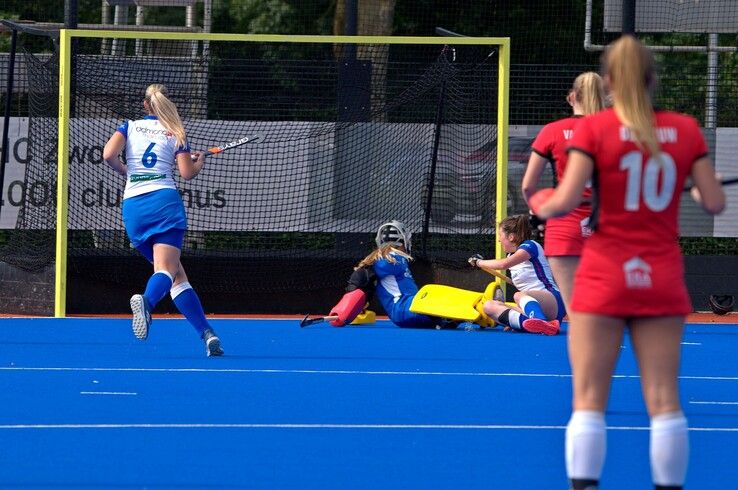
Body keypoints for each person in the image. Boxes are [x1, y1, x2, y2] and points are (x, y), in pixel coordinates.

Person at [530, 35, 725, 490]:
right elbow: (712, 201)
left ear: (611, 81)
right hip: (659, 274)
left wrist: (539, 200)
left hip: (604, 273)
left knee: (589, 399)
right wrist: (691, 185)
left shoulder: (594, 130)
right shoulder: (686, 130)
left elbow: (564, 199)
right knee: (664, 400)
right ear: (655, 79)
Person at [102, 83, 224, 357]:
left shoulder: (129, 126)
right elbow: (186, 173)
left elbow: (108, 155)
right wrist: (199, 160)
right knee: (167, 272)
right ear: (167, 103)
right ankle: (146, 301)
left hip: (133, 207)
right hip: (164, 203)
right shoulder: (176, 132)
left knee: (176, 275)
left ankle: (207, 334)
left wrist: (125, 170)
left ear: (145, 105)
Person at [521, 71, 607, 309]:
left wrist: (536, 212)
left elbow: (529, 185)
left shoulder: (552, 130)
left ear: (572, 97)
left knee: (577, 309)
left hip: (564, 222)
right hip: (606, 222)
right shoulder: (617, 131)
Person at [468, 214, 563, 336]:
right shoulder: (511, 256)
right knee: (489, 306)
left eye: (500, 235)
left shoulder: (530, 246)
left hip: (553, 301)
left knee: (518, 295)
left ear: (511, 237)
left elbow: (503, 264)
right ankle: (527, 324)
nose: (498, 240)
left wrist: (478, 262)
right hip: (531, 306)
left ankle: (540, 321)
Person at [355, 221, 452, 329]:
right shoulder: (392, 257)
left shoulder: (390, 258)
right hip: (404, 308)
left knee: (445, 314)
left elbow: (364, 274)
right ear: (404, 241)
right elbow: (363, 273)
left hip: (403, 314)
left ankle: (444, 319)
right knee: (434, 292)